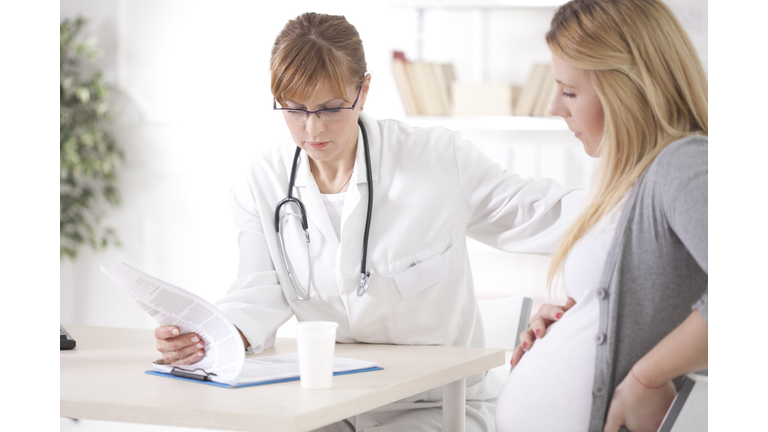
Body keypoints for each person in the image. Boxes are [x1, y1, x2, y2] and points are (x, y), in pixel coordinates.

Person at [151, 12, 585, 432]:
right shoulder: (263, 181)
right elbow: (256, 293)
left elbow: (537, 212)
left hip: (436, 405)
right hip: (331, 403)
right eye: (294, 109)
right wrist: (210, 337)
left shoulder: (436, 159)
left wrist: (638, 198)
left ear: (363, 90)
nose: (311, 129)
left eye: (331, 108)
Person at [494, 1, 708, 432]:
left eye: (569, 91)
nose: (555, 106)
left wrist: (647, 378)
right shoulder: (626, 181)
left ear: (628, 88)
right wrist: (574, 321)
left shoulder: (682, 164)